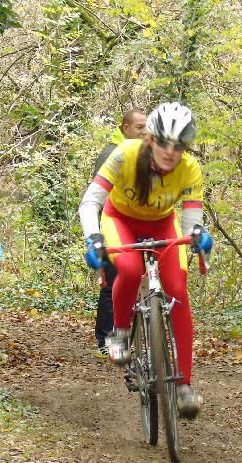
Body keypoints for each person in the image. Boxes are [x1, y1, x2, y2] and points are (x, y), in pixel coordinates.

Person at [78, 101, 213, 419]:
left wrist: (198, 236)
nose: (170, 151)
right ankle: (121, 332)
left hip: (162, 224)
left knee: (178, 289)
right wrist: (93, 238)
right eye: (164, 142)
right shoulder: (125, 154)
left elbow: (192, 221)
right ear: (150, 139)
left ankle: (183, 386)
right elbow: (91, 201)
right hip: (120, 220)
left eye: (178, 145)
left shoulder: (190, 168)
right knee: (127, 267)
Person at [92, 109, 148, 355]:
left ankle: (144, 333)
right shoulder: (111, 153)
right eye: (139, 127)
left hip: (141, 223)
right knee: (113, 281)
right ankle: (106, 339)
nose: (144, 131)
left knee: (144, 278)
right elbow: (100, 196)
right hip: (113, 226)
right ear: (126, 128)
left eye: (146, 126)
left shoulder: (146, 152)